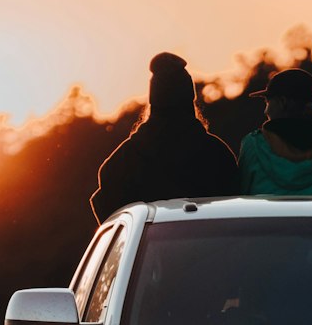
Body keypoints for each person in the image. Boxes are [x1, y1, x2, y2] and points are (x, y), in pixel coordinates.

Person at [91, 52, 237, 222]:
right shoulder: (217, 154)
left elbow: (110, 214)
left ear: (153, 101)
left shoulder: (122, 162)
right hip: (212, 248)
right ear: (190, 100)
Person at [238, 68, 312, 196]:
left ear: (282, 102)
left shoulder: (253, 146)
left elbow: (240, 200)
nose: (266, 111)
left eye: (268, 102)